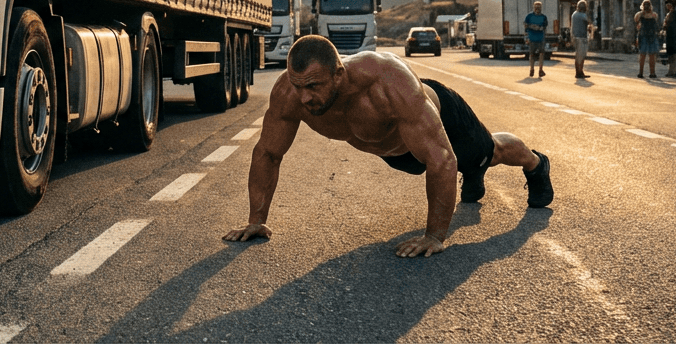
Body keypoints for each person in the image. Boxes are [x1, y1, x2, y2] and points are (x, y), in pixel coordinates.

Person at [222, 36, 554, 258]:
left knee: (488, 153)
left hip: (442, 121)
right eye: (299, 87)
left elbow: (441, 157)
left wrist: (434, 236)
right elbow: (268, 152)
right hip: (398, 152)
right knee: (445, 163)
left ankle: (536, 164)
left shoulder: (385, 80)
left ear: (339, 74)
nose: (305, 98)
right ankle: (473, 175)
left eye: (313, 86)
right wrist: (256, 219)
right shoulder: (291, 95)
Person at [634, 0, 661, 78]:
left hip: (650, 36)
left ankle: (651, 73)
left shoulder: (653, 15)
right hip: (644, 36)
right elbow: (636, 20)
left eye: (647, 5)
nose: (646, 7)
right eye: (645, 5)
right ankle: (641, 72)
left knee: (651, 55)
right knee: (643, 54)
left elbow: (655, 21)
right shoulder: (640, 14)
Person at [524, 0, 548, 78]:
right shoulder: (529, 16)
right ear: (533, 7)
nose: (537, 8)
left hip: (540, 38)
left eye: (539, 7)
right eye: (536, 7)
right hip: (532, 38)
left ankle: (540, 69)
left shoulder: (544, 17)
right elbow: (525, 26)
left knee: (541, 54)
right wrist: (526, 37)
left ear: (541, 8)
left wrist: (539, 29)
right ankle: (532, 69)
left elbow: (544, 27)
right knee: (532, 54)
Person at [571, 1, 592, 79]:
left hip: (575, 37)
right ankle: (579, 72)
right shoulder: (582, 15)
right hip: (581, 37)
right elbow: (590, 21)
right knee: (581, 56)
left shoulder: (574, 14)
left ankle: (579, 72)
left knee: (578, 56)